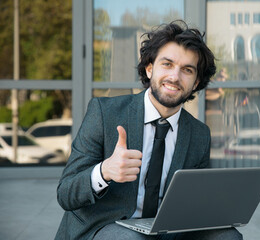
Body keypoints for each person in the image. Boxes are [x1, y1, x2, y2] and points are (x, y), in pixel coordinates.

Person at [55, 20, 242, 240]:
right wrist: (105, 171)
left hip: (167, 231)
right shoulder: (104, 113)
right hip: (104, 227)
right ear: (150, 67)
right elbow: (65, 193)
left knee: (228, 237)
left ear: (196, 82)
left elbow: (194, 201)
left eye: (187, 70)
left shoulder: (199, 134)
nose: (175, 77)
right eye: (167, 64)